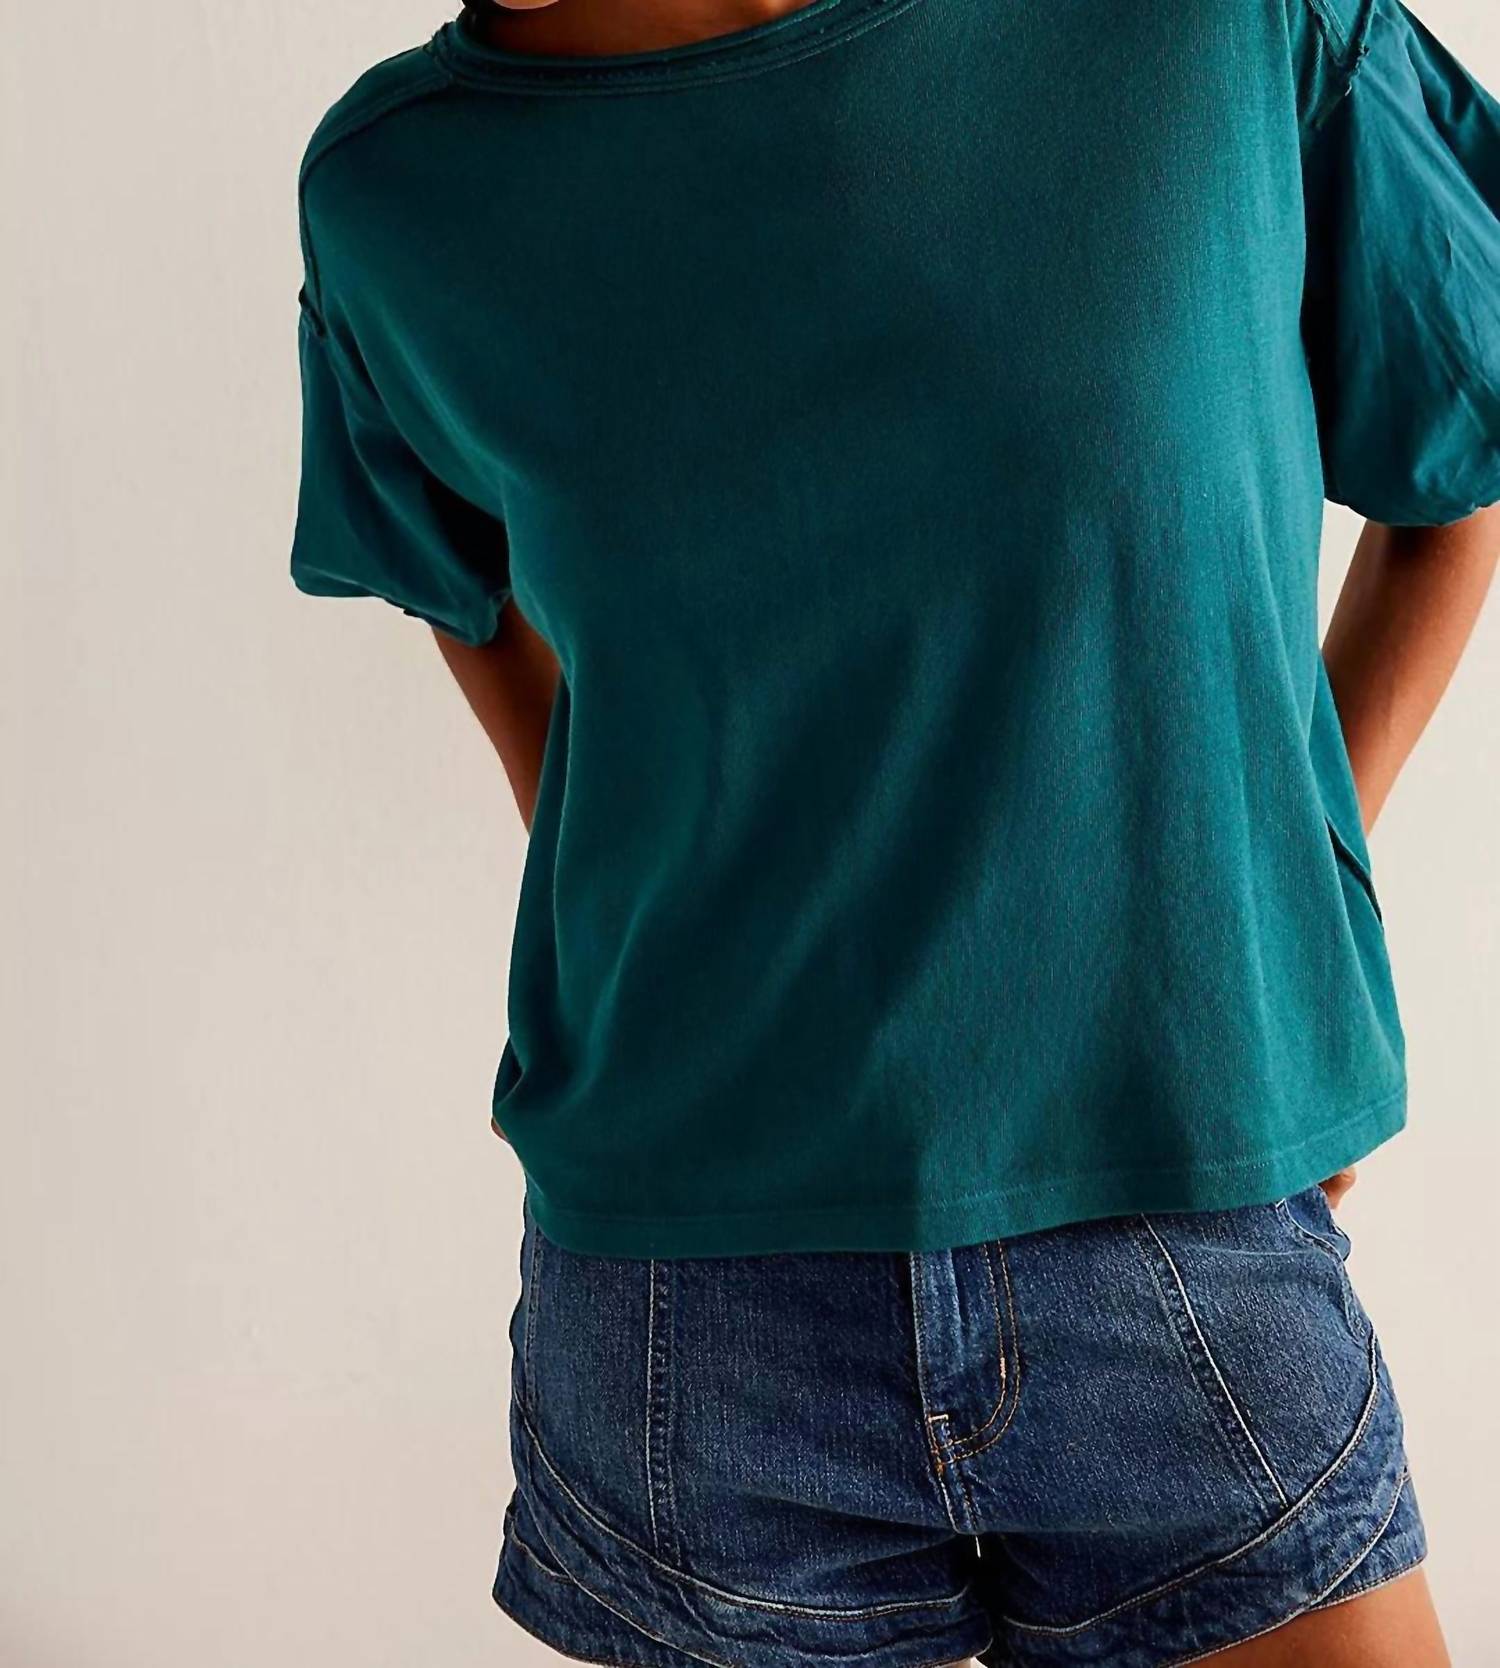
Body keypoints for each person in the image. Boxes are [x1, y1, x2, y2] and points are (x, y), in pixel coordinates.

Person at [288, 0, 1499, 1660]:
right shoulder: (400, 192)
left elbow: (1456, 482)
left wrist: (1295, 909)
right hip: (689, 1313)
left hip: (1177, 1208)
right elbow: (482, 619)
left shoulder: (1203, 31)